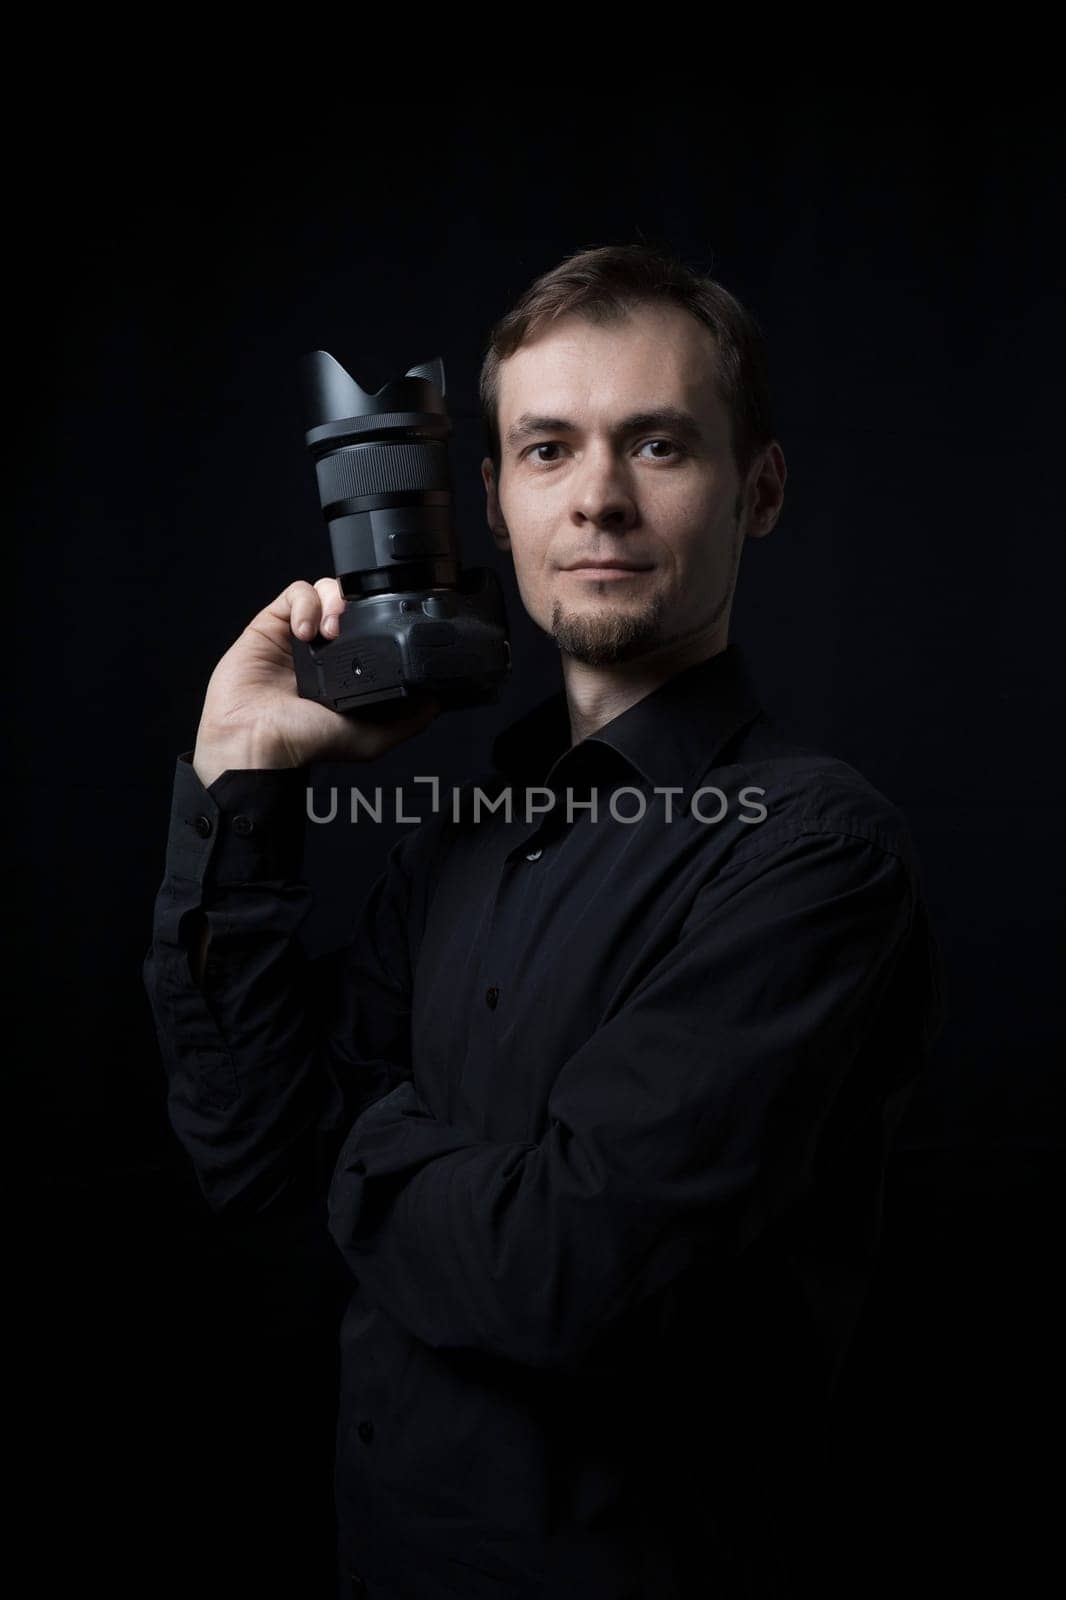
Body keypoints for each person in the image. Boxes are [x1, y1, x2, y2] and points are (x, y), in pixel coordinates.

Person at [142, 242, 946, 1599]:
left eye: (657, 446)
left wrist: (357, 1126)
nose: (599, 501)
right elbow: (248, 1156)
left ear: (758, 489)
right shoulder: (460, 826)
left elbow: (562, 1274)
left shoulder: (813, 851)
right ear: (493, 509)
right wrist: (243, 780)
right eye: (546, 450)